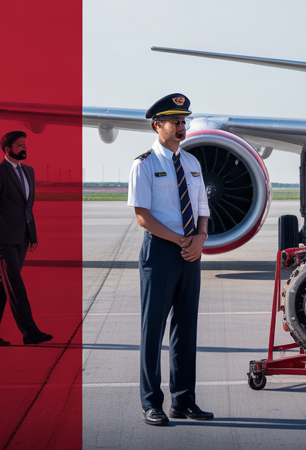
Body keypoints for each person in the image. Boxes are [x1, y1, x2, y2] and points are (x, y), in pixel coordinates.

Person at [129, 93, 212, 427]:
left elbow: (203, 209)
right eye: (176, 121)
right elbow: (142, 216)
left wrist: (200, 239)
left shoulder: (192, 163)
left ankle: (184, 400)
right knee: (153, 331)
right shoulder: (144, 163)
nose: (182, 126)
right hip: (161, 252)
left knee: (185, 330)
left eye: (184, 121)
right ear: (157, 125)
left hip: (191, 251)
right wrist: (183, 241)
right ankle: (152, 403)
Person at [0, 130, 54, 347]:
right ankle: (30, 333)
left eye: (24, 144)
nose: (24, 148)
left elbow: (27, 207)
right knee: (16, 286)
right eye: (19, 145)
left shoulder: (28, 172)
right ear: (7, 149)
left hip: (22, 237)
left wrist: (32, 235)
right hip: (3, 238)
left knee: (2, 286)